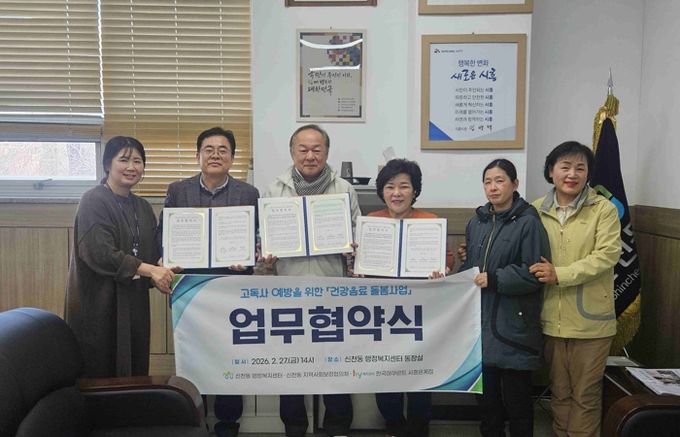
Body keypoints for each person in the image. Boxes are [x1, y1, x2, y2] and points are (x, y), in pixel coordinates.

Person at [157, 127, 259, 437]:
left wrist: (250, 257)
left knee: (231, 355)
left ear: (232, 157)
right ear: (198, 155)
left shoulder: (248, 193)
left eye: (223, 150)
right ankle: (195, 422)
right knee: (194, 356)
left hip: (231, 287)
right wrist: (166, 258)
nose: (216, 155)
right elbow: (164, 234)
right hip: (190, 289)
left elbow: (257, 238)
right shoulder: (178, 191)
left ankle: (228, 423)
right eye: (209, 149)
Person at [261, 124, 360, 437]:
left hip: (332, 291)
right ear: (292, 152)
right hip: (288, 292)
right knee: (291, 365)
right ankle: (294, 427)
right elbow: (263, 239)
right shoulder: (274, 190)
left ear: (327, 152)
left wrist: (353, 249)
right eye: (303, 149)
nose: (310, 155)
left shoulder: (344, 189)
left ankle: (337, 426)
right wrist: (266, 255)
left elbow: (357, 235)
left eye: (317, 149)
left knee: (335, 364)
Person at [529, 141, 621, 437]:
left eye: (580, 168)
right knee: (559, 392)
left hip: (590, 322)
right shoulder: (534, 210)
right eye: (565, 167)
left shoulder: (603, 209)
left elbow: (607, 255)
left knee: (585, 395)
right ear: (551, 171)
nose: (572, 174)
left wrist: (560, 274)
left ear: (588, 174)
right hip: (550, 319)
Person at [65, 136, 176, 378]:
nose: (131, 167)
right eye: (124, 160)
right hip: (100, 301)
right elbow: (99, 252)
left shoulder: (143, 207)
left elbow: (150, 253)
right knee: (100, 370)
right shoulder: (93, 200)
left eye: (138, 161)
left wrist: (162, 268)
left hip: (134, 302)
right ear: (107, 164)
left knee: (134, 368)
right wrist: (150, 270)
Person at [458, 158, 550, 437]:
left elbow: (535, 273)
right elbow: (472, 270)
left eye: (500, 181)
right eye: (488, 182)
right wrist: (451, 275)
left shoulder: (529, 222)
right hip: (480, 327)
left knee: (517, 404)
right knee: (487, 405)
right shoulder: (477, 222)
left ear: (514, 184)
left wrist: (495, 278)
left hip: (513, 327)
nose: (493, 187)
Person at [366, 158, 451, 437]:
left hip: (418, 314)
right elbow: (359, 264)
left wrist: (443, 269)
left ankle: (418, 428)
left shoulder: (430, 221)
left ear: (415, 191)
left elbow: (447, 259)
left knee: (419, 372)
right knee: (384, 372)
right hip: (380, 315)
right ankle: (393, 425)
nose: (397, 193)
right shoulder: (371, 222)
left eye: (404, 186)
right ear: (382, 191)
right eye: (390, 186)